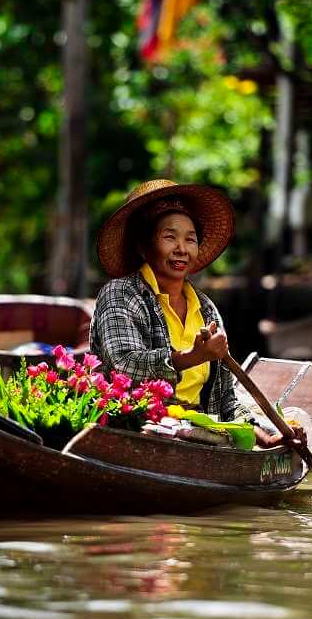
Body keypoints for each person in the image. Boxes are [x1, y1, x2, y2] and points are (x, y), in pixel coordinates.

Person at [90, 178, 300, 448]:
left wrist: (267, 437)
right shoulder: (121, 293)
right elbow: (124, 364)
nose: (181, 248)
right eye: (169, 237)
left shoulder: (207, 309)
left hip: (198, 432)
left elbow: (226, 400)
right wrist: (192, 357)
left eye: (190, 239)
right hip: (138, 427)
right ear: (143, 246)